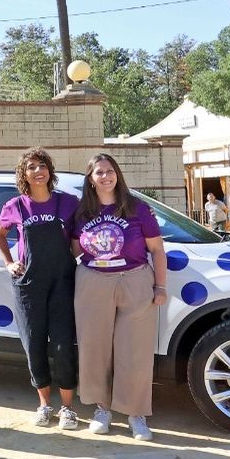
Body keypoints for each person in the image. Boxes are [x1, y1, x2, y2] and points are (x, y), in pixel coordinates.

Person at [71, 153, 169, 441]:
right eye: (99, 172)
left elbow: (157, 250)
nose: (105, 176)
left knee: (135, 350)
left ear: (117, 175)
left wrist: (160, 286)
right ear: (90, 179)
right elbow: (76, 250)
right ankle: (102, 409)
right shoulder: (82, 213)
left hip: (135, 281)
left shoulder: (138, 208)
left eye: (109, 171)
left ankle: (136, 414)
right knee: (95, 349)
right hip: (93, 283)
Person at [0, 148, 81, 431]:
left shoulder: (68, 203)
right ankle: (44, 405)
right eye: (32, 167)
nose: (38, 171)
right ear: (24, 174)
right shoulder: (15, 206)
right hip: (29, 285)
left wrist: (77, 253)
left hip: (63, 282)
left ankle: (68, 408)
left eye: (42, 165)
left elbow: (79, 236)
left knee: (64, 344)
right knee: (34, 343)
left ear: (49, 171)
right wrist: (9, 262)